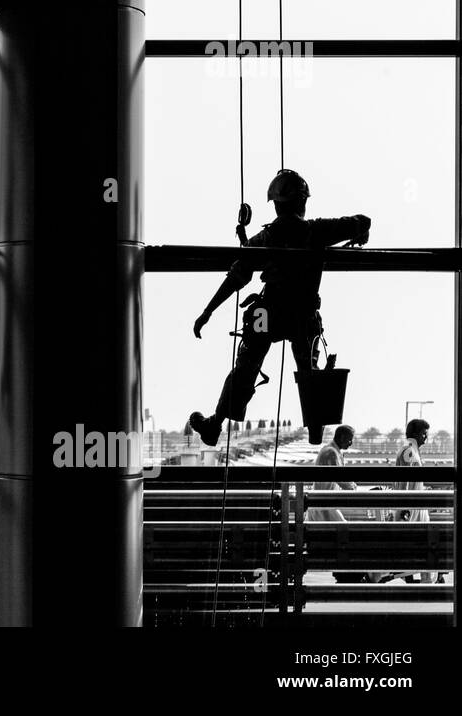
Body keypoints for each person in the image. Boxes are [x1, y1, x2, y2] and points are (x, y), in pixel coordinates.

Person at [187, 170, 370, 446]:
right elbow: (363, 221)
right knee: (308, 371)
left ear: (275, 204)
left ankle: (216, 423)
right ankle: (315, 427)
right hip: (301, 314)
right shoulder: (317, 231)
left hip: (268, 313)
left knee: (246, 366)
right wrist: (361, 233)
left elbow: (237, 276)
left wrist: (208, 311)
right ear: (302, 203)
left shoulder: (265, 239)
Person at [391, 418, 438, 584]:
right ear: (417, 434)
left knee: (420, 543)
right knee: (422, 543)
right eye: (424, 433)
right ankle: (426, 581)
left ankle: (422, 578)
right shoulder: (410, 452)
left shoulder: (410, 450)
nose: (426, 437)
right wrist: (404, 507)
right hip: (412, 507)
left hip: (414, 505)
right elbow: (406, 482)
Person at [307, 424, 358, 523]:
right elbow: (341, 479)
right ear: (342, 437)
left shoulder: (331, 450)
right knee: (342, 530)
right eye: (350, 439)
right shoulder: (331, 453)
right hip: (324, 503)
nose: (351, 443)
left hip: (322, 502)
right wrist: (355, 488)